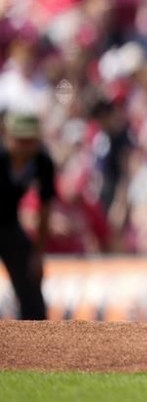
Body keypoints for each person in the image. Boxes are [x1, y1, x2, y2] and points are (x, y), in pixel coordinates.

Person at [0, 110, 55, 320]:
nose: (25, 146)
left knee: (31, 281)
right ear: (7, 136)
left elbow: (45, 208)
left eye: (30, 140)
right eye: (20, 139)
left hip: (9, 225)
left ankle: (37, 332)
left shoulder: (42, 162)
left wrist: (37, 254)